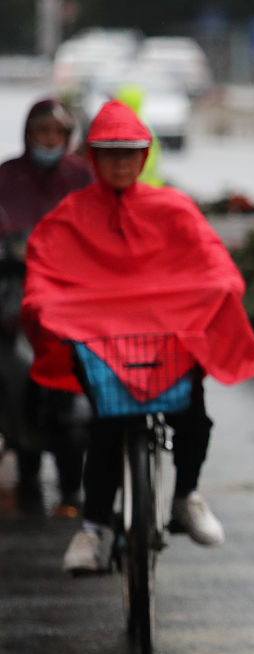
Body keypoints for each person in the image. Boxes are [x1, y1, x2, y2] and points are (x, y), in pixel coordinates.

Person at [21, 100, 254, 573]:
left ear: (145, 155)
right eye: (110, 152)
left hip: (167, 342)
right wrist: (43, 305)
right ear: (93, 157)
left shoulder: (173, 208)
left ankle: (186, 497)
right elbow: (43, 272)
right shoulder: (69, 216)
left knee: (193, 417)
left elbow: (214, 262)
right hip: (103, 346)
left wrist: (220, 289)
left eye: (130, 152)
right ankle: (92, 529)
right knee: (107, 429)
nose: (120, 162)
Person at [0, 98, 94, 516]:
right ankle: (29, 478)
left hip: (72, 297)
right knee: (16, 381)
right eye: (42, 133)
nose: (49, 141)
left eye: (57, 134)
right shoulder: (8, 176)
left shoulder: (82, 177)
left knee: (72, 389)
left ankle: (73, 485)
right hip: (16, 298)